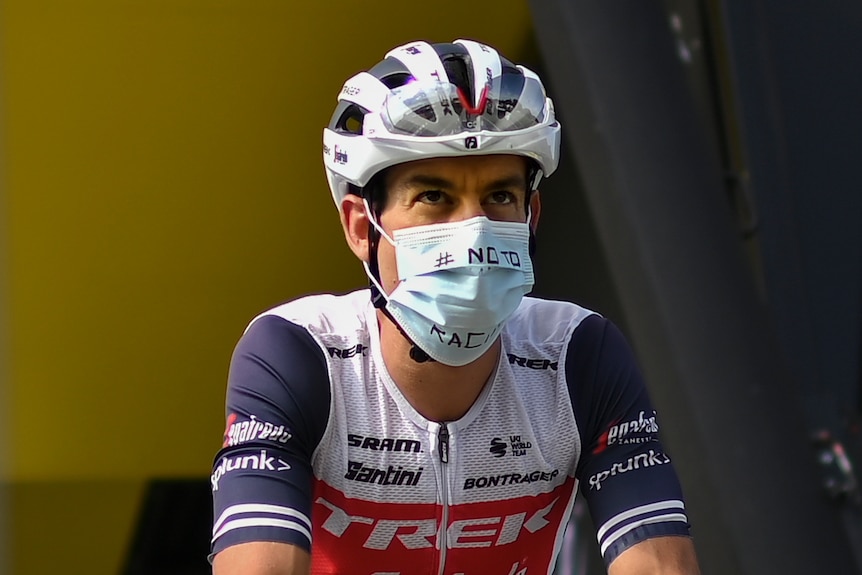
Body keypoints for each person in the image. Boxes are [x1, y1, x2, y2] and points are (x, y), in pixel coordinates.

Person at [209, 39, 701, 575]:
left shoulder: (578, 355)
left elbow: (660, 566)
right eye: (435, 197)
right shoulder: (300, 353)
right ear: (359, 228)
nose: (474, 234)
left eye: (499, 197)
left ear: (530, 216)